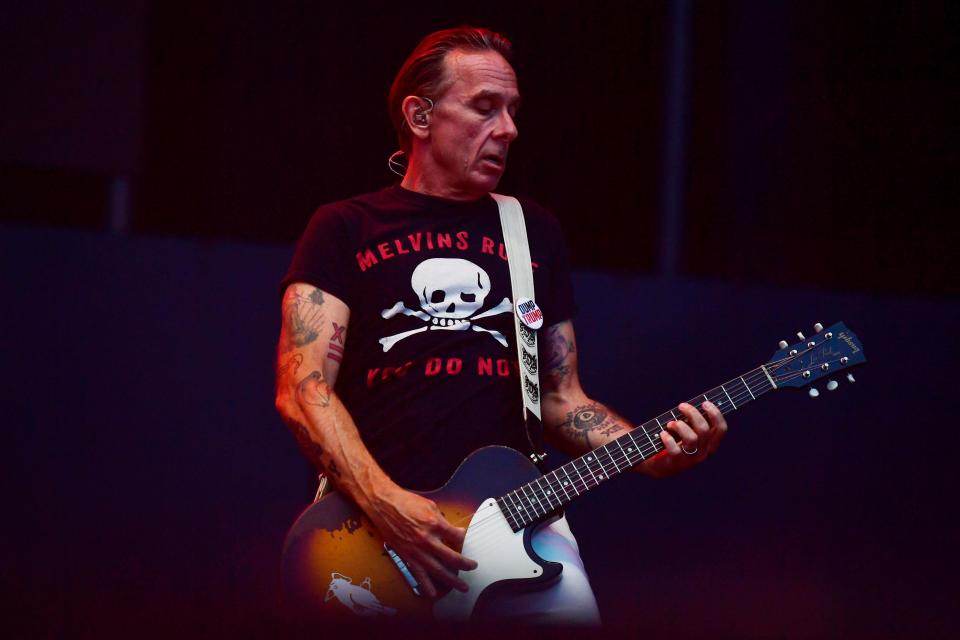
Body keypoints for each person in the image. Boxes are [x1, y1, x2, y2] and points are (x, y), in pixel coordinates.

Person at [274, 26, 727, 624]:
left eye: (513, 110)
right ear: (419, 114)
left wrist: (652, 451)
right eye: (485, 107)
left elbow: (563, 399)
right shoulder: (344, 228)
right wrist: (387, 503)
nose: (509, 128)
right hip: (368, 532)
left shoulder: (532, 232)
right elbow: (303, 390)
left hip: (521, 521)